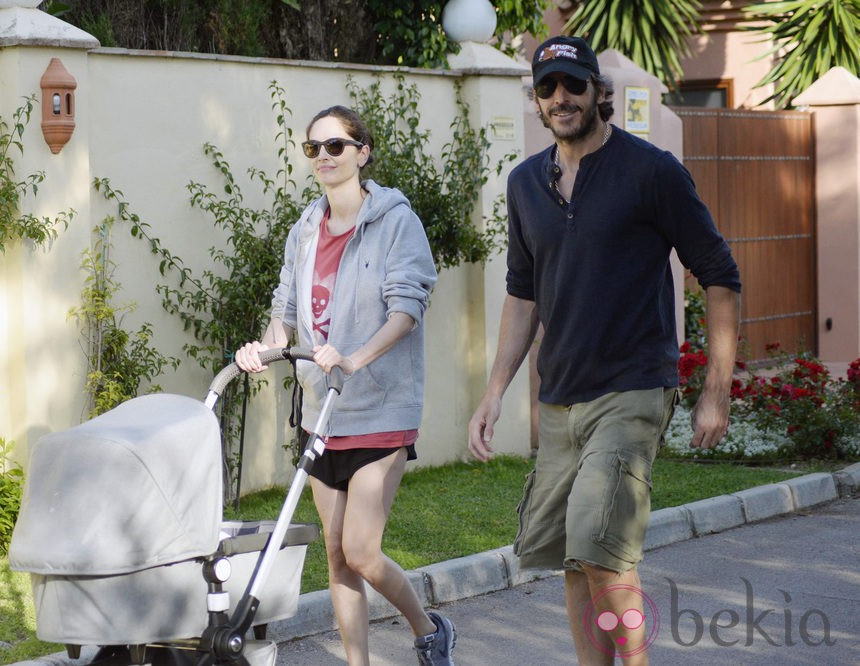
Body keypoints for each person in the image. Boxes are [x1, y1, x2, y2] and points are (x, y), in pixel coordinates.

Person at [467, 36, 741, 665]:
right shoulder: (524, 184)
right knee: (574, 558)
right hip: (560, 399)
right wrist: (494, 391)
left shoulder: (652, 171)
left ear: (598, 90)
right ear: (537, 100)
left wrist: (716, 390)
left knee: (602, 551)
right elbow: (522, 294)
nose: (560, 97)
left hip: (632, 387)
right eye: (547, 87)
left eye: (573, 84)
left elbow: (719, 274)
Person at [234, 105, 454, 666]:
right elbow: (285, 312)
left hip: (379, 409)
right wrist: (263, 348)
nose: (324, 157)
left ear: (362, 152)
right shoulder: (305, 229)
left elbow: (407, 309)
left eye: (335, 145)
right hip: (322, 412)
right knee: (336, 555)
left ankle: (429, 629)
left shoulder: (396, 222)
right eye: (314, 148)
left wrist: (355, 359)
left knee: (361, 551)